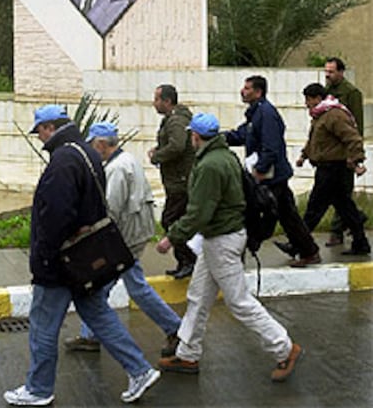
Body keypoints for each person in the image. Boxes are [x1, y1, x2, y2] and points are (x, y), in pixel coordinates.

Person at [3, 105, 160, 406]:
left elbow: (57, 215)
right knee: (98, 315)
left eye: (40, 132)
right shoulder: (86, 153)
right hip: (83, 258)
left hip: (61, 261)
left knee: (43, 324)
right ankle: (139, 370)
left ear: (50, 127)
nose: (39, 138)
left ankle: (38, 389)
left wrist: (45, 257)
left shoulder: (62, 161)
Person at [156, 112, 303, 382]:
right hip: (219, 238)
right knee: (198, 296)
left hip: (221, 240)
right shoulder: (224, 156)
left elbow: (199, 212)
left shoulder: (210, 165)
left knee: (240, 302)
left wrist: (171, 238)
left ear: (196, 137)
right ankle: (187, 352)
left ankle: (284, 347)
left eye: (191, 135)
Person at [65, 121, 182, 358]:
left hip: (125, 238)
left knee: (111, 287)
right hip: (133, 234)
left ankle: (176, 328)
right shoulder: (126, 160)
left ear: (100, 144)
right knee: (116, 287)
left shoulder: (116, 169)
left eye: (92, 145)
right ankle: (90, 335)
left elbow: (111, 210)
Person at [225, 75, 321, 268]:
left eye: (247, 88)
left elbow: (271, 146)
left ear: (258, 92)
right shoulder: (256, 113)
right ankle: (309, 251)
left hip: (272, 176)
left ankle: (245, 250)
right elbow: (241, 135)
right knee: (286, 215)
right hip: (271, 176)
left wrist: (260, 170)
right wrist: (216, 138)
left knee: (258, 213)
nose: (243, 91)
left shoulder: (266, 114)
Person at [296, 83, 370, 256]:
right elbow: (315, 140)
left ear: (317, 98)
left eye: (308, 99)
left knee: (314, 208)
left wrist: (357, 160)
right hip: (328, 168)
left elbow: (352, 138)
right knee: (346, 209)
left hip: (334, 169)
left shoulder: (334, 115)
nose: (307, 103)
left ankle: (299, 244)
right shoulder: (320, 115)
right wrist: (304, 156)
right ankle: (361, 244)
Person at [148, 84, 197, 279]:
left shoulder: (176, 121)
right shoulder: (174, 119)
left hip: (180, 182)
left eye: (157, 99)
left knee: (170, 221)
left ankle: (188, 260)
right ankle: (186, 261)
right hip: (178, 180)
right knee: (179, 221)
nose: (154, 103)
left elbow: (177, 146)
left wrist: (157, 156)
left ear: (167, 101)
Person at [324, 57, 366, 246]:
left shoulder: (351, 93)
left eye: (331, 71)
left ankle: (337, 230)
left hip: (345, 151)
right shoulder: (327, 93)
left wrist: (355, 155)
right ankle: (357, 217)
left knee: (343, 192)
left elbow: (357, 125)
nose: (327, 75)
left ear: (341, 72)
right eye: (326, 71)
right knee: (334, 192)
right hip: (331, 151)